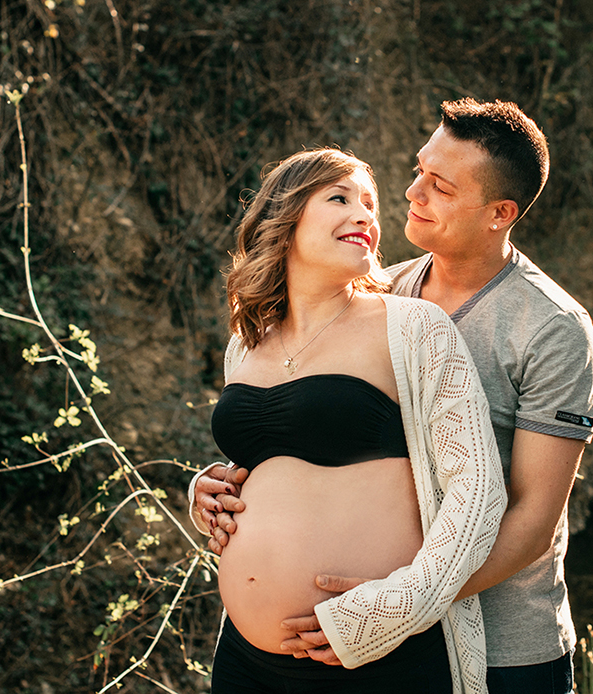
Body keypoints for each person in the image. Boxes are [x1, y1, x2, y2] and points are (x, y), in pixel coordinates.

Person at [193, 99, 593, 694]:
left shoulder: (551, 328)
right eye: (417, 172)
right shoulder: (378, 292)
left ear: (499, 213)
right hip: (313, 645)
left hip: (505, 643)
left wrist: (396, 606)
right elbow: (322, 443)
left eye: (439, 186)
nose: (412, 194)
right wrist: (221, 486)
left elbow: (531, 520)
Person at [201, 147, 507, 694]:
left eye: (370, 203)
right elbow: (271, 466)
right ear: (286, 217)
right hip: (245, 661)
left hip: (375, 657)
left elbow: (477, 489)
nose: (365, 214)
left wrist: (398, 610)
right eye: (339, 198)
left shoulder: (413, 327)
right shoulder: (245, 345)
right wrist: (207, 488)